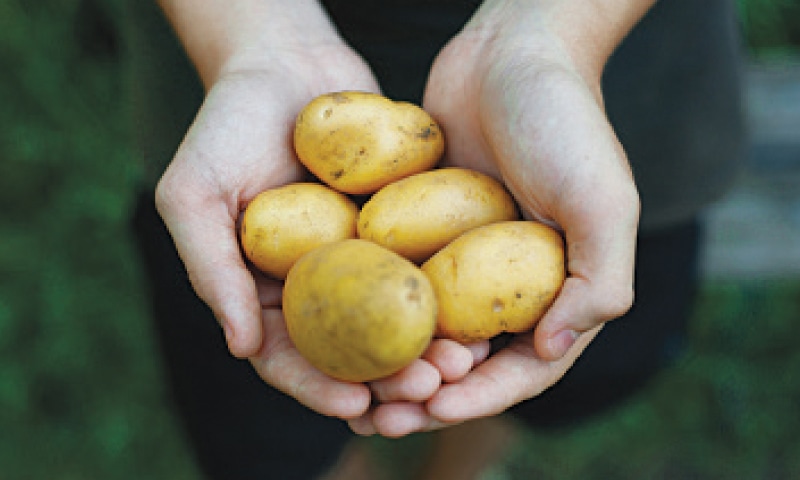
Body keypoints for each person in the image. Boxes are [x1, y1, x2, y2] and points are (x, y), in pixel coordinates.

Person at [123, 0, 745, 478]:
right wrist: (248, 39)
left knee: (545, 366)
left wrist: (553, 34)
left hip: (609, 58)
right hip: (243, 44)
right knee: (263, 434)